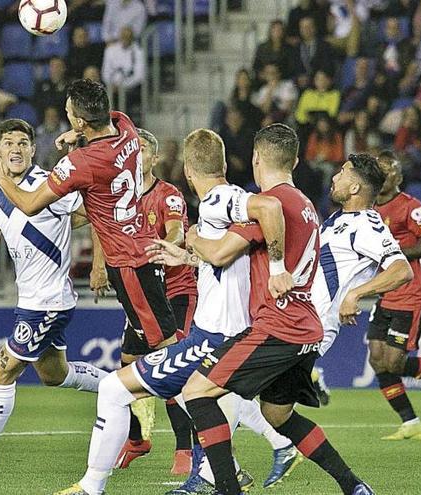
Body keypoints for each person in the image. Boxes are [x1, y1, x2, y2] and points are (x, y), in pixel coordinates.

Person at [52, 128, 294, 495]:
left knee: (116, 389)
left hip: (214, 336)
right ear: (224, 163)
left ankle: (91, 486)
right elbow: (229, 256)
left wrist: (274, 268)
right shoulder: (229, 199)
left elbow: (270, 206)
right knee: (207, 396)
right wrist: (188, 256)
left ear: (187, 170)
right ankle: (235, 468)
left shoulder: (216, 200)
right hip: (230, 332)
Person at [180, 124, 373, 495]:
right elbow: (232, 255)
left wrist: (193, 238)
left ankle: (226, 488)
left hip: (277, 326)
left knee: (197, 392)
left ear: (255, 158)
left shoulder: (270, 204)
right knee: (277, 414)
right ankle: (354, 486)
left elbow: (220, 251)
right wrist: (191, 255)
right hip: (306, 327)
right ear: (296, 160)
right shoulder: (306, 206)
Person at [0, 119, 107, 474]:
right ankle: (125, 390)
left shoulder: (49, 183)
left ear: (32, 149)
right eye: (9, 143)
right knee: (54, 375)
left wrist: (98, 264)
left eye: (23, 142)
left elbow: (91, 214)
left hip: (49, 301)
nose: (16, 148)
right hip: (30, 299)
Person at [0, 79, 179, 361]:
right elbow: (106, 120)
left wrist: (1, 179)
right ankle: (134, 401)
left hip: (129, 262)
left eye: (68, 112)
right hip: (139, 245)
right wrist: (77, 133)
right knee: (134, 353)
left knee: (166, 347)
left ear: (79, 120)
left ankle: (199, 398)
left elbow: (28, 204)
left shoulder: (80, 164)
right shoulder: (126, 128)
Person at [98, 128, 199, 472]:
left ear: (153, 158)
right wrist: (100, 265)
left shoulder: (167, 195)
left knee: (173, 364)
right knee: (128, 365)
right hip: (140, 295)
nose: (135, 156)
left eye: (141, 150)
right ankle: (138, 439)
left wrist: (163, 246)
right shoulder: (118, 197)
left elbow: (176, 231)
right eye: (131, 150)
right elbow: (100, 226)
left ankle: (185, 450)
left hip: (176, 294)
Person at [368, 150, 421, 440]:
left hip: (410, 296)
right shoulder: (367, 209)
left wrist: (397, 252)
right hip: (385, 294)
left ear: (398, 177)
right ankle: (411, 422)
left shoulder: (409, 207)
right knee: (376, 357)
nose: (383, 175)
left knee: (394, 363)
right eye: (379, 170)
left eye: (389, 171)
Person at [313, 153, 413, 358]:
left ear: (355, 188)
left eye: (342, 173)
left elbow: (402, 270)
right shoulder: (339, 218)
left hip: (316, 324)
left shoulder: (367, 225)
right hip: (299, 318)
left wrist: (355, 294)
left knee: (240, 382)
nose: (334, 177)